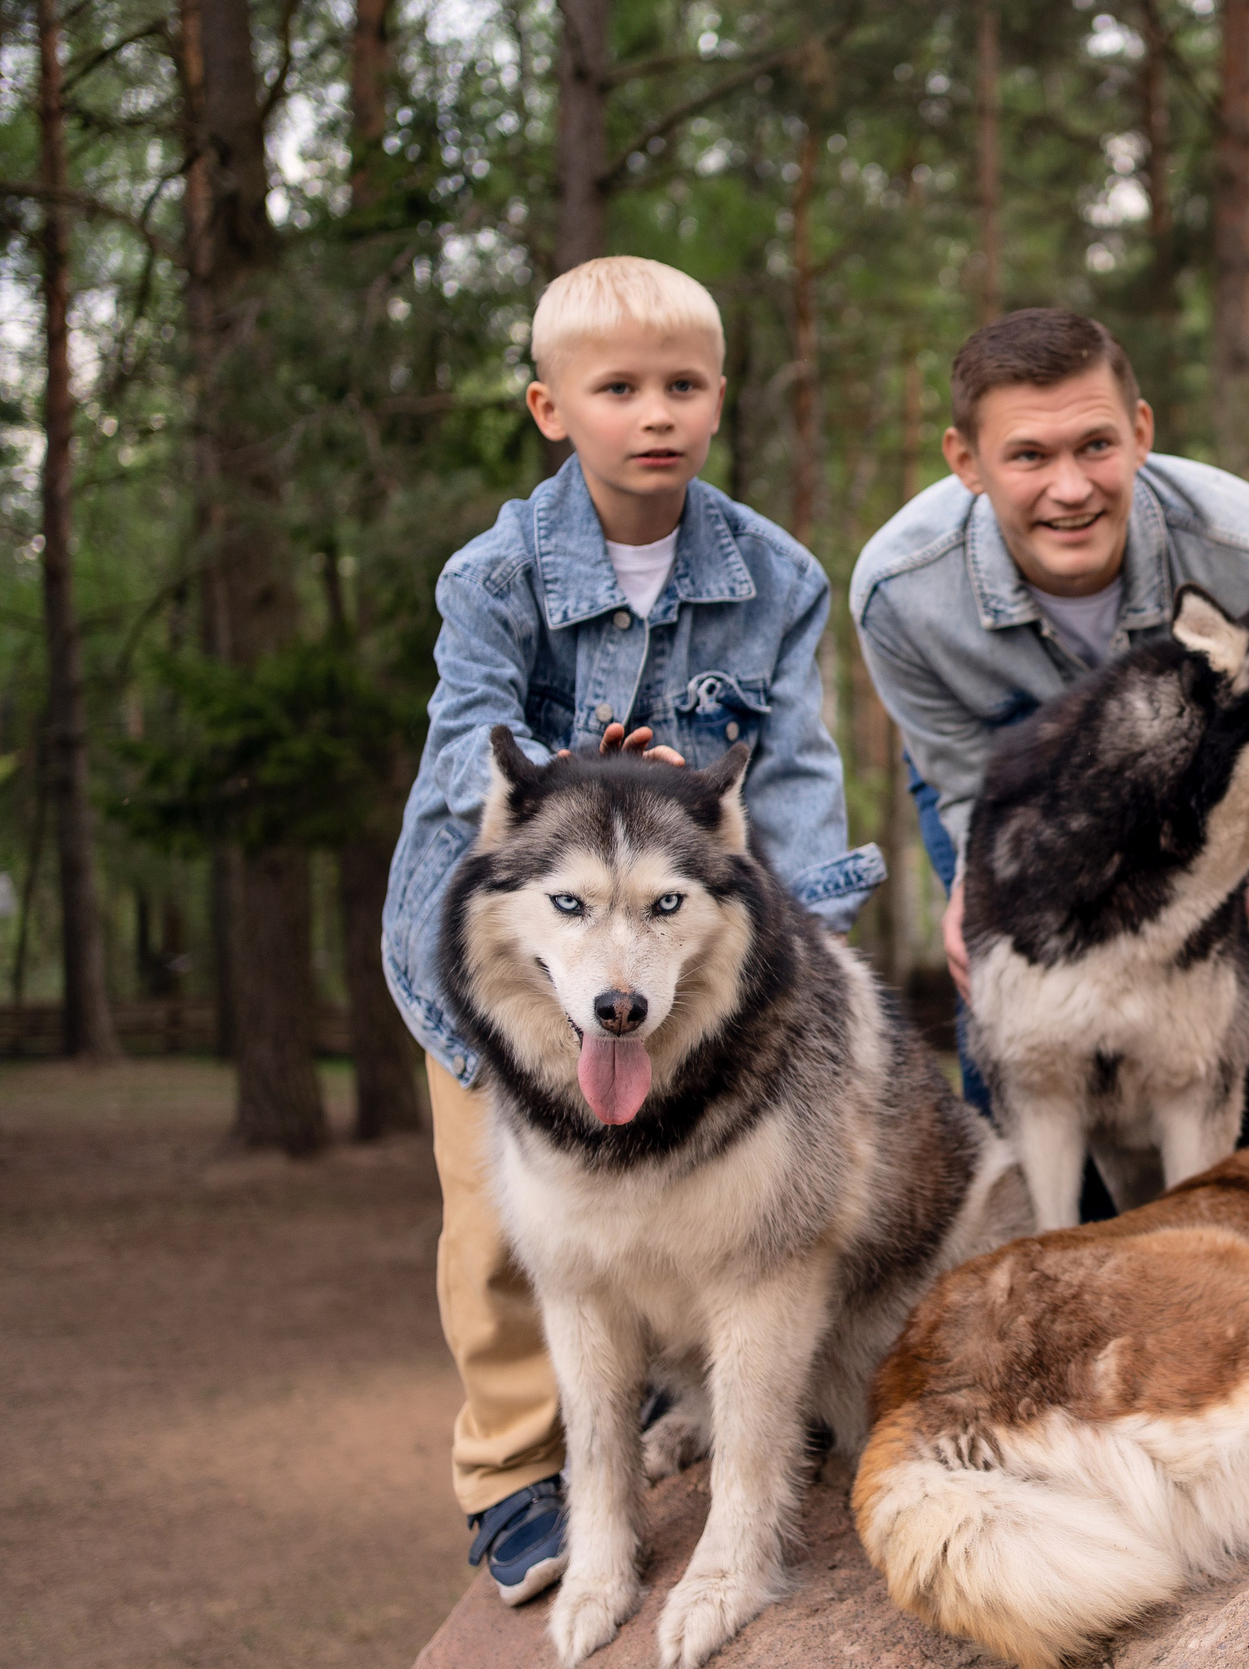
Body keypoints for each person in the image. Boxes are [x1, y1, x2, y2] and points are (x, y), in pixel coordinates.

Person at [379, 256, 880, 1605]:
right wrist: (589, 776)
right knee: (500, 1222)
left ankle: (690, 1406)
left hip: (680, 947)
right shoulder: (493, 573)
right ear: (551, 408)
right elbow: (462, 752)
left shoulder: (775, 574)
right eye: (616, 389)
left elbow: (793, 770)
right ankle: (509, 1476)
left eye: (683, 385)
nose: (654, 413)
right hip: (512, 949)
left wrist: (812, 933)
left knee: (692, 1195)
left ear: (719, 396)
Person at [851, 307, 1249, 1129]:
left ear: (1140, 433)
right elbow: (959, 779)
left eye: (1095, 445)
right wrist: (980, 891)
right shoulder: (900, 593)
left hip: (1220, 806)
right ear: (967, 461)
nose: (1071, 489)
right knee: (1011, 1014)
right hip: (1008, 788)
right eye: (1029, 455)